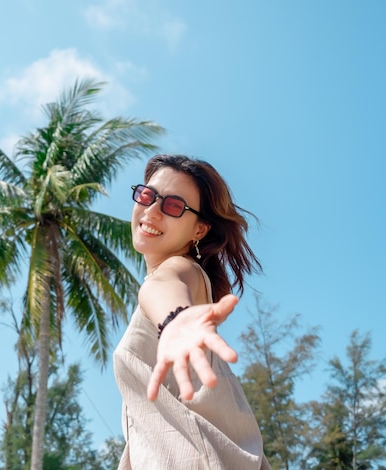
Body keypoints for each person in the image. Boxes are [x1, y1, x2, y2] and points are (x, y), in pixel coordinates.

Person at [113, 154, 272, 469]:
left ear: (199, 230)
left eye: (173, 206)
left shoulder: (180, 269)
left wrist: (174, 320)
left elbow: (163, 286)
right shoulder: (184, 278)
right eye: (147, 195)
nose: (152, 210)